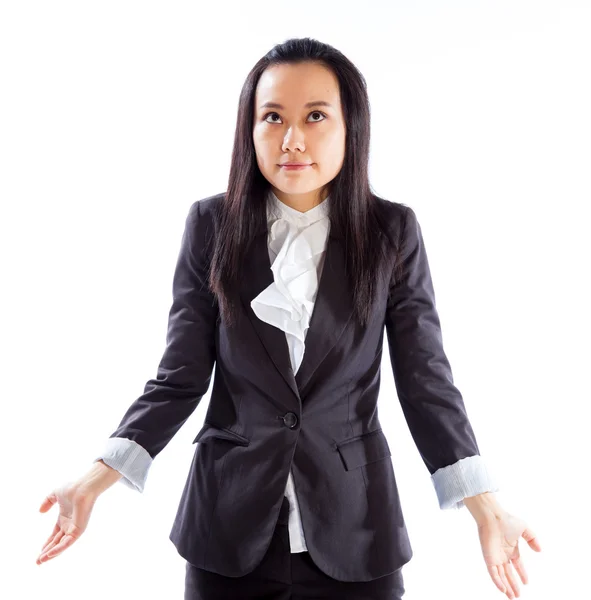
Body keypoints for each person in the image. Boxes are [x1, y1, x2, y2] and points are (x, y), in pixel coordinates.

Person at [36, 37, 542, 599]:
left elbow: (426, 382)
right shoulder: (211, 226)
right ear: (249, 129)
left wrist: (485, 508)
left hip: (357, 531)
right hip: (227, 532)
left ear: (351, 127)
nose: (292, 139)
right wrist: (92, 482)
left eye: (316, 116)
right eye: (272, 117)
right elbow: (179, 377)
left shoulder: (391, 232)